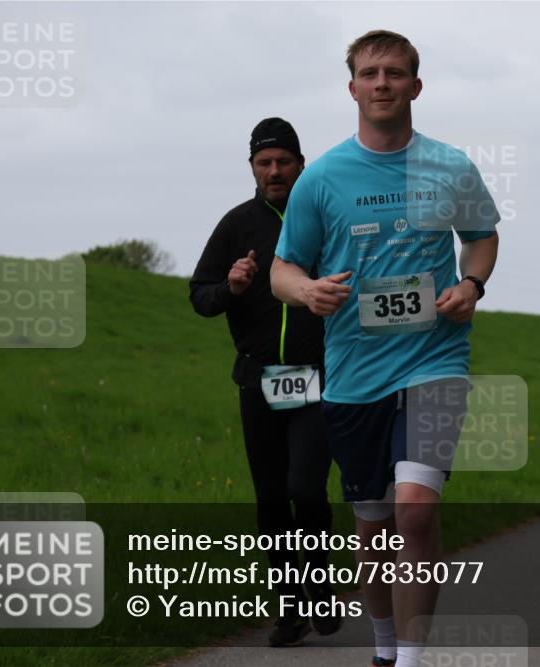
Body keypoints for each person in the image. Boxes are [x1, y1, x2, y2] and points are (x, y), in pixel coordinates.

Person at [270, 30, 500, 667]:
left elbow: (482, 238)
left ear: (415, 86)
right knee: (373, 528)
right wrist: (307, 290)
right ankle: (383, 647)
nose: (381, 84)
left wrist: (472, 284)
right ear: (352, 88)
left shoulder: (450, 165)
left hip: (435, 359)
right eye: (369, 74)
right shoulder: (321, 179)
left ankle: (413, 659)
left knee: (416, 511)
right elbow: (281, 270)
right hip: (353, 374)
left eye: (394, 73)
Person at [189, 118, 339, 646]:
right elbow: (200, 297)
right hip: (259, 381)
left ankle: (319, 586)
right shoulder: (237, 224)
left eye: (283, 161)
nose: (274, 171)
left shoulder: (325, 214)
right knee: (273, 498)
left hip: (319, 376)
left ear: (302, 163)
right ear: (252, 168)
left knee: (306, 487)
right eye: (264, 162)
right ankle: (291, 606)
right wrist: (230, 287)